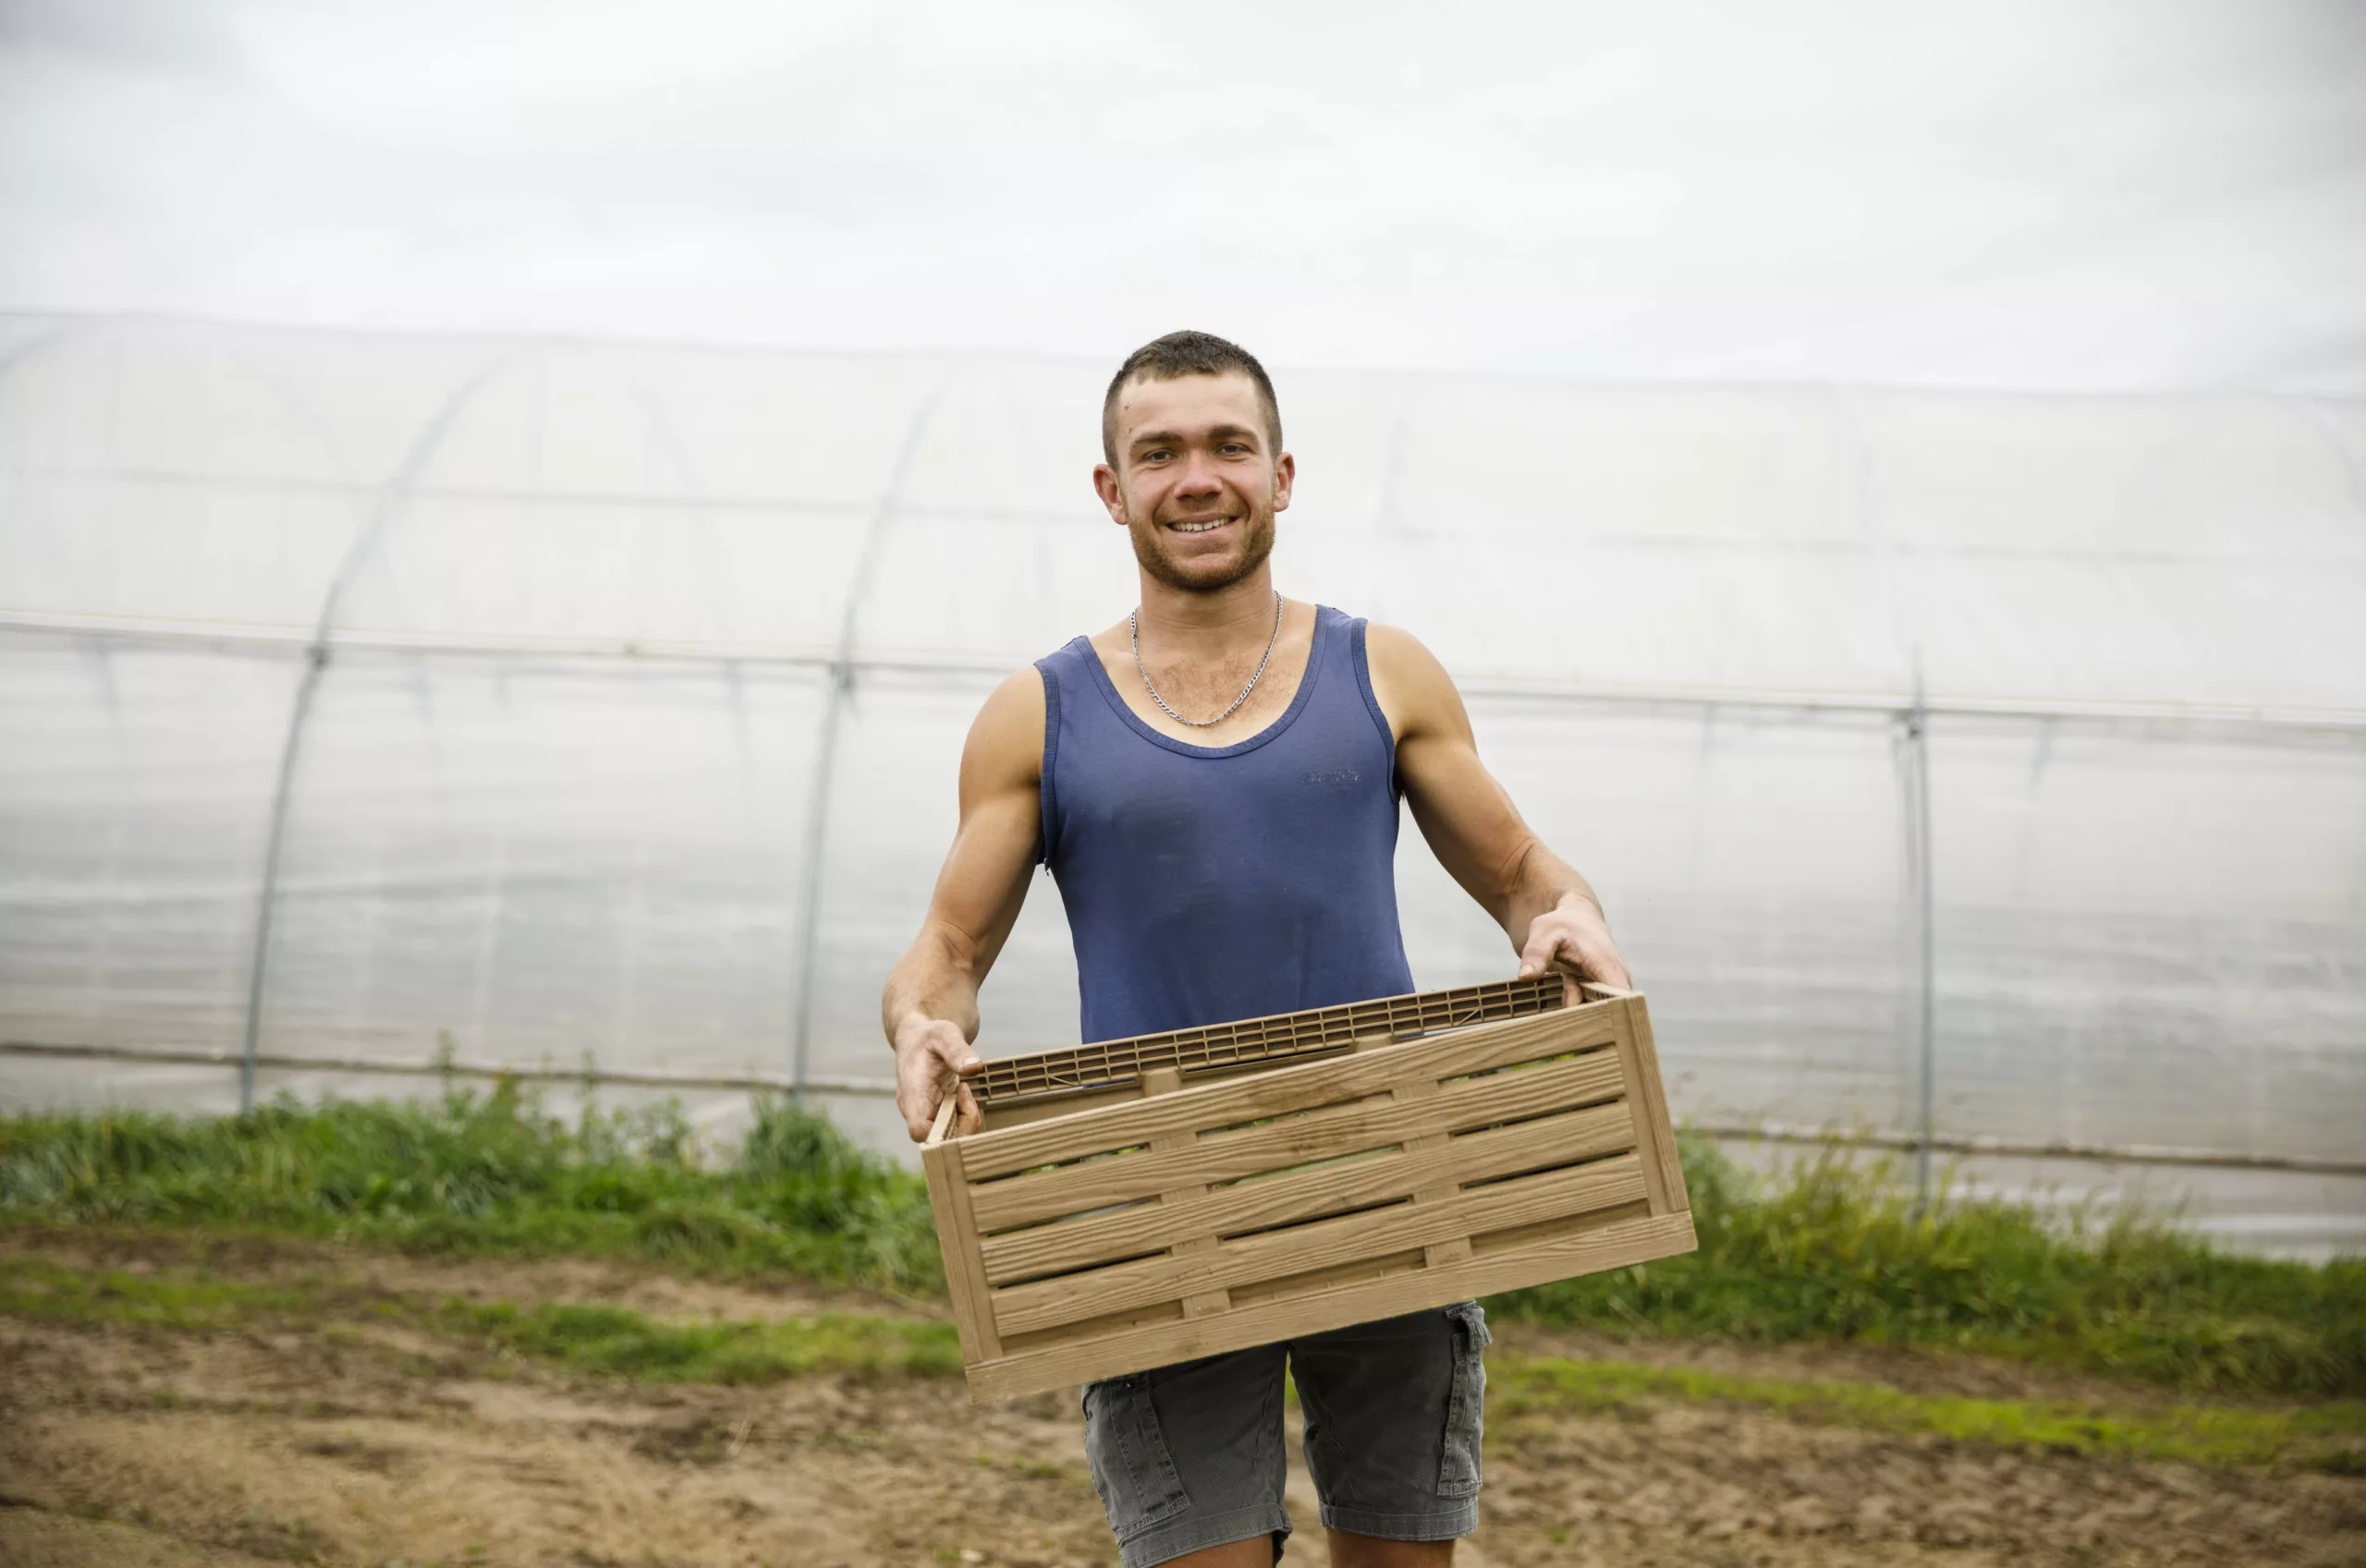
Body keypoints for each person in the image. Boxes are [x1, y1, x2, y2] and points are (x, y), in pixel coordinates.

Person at [881, 331, 1632, 1568]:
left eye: (1230, 446)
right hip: (1159, 1202)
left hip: (1388, 1181)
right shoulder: (1039, 712)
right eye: (1159, 452)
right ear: (1112, 490)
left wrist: (1565, 917)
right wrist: (922, 1025)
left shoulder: (1383, 672)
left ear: (1282, 475)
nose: (1198, 478)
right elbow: (946, 952)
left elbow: (1524, 876)